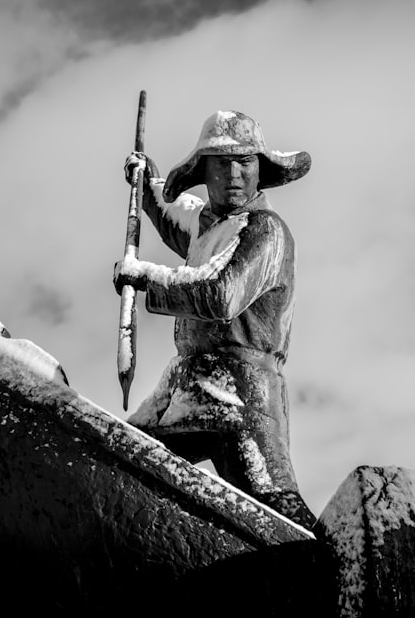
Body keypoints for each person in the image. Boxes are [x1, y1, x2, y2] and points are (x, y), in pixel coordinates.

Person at [113, 110, 315, 529]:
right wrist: (144, 182)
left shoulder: (265, 231)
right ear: (203, 172)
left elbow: (220, 295)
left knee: (277, 506)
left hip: (244, 392)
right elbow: (172, 218)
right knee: (126, 455)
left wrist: (145, 277)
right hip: (189, 383)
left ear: (261, 169)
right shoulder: (208, 226)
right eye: (221, 164)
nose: (234, 174)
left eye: (244, 162)